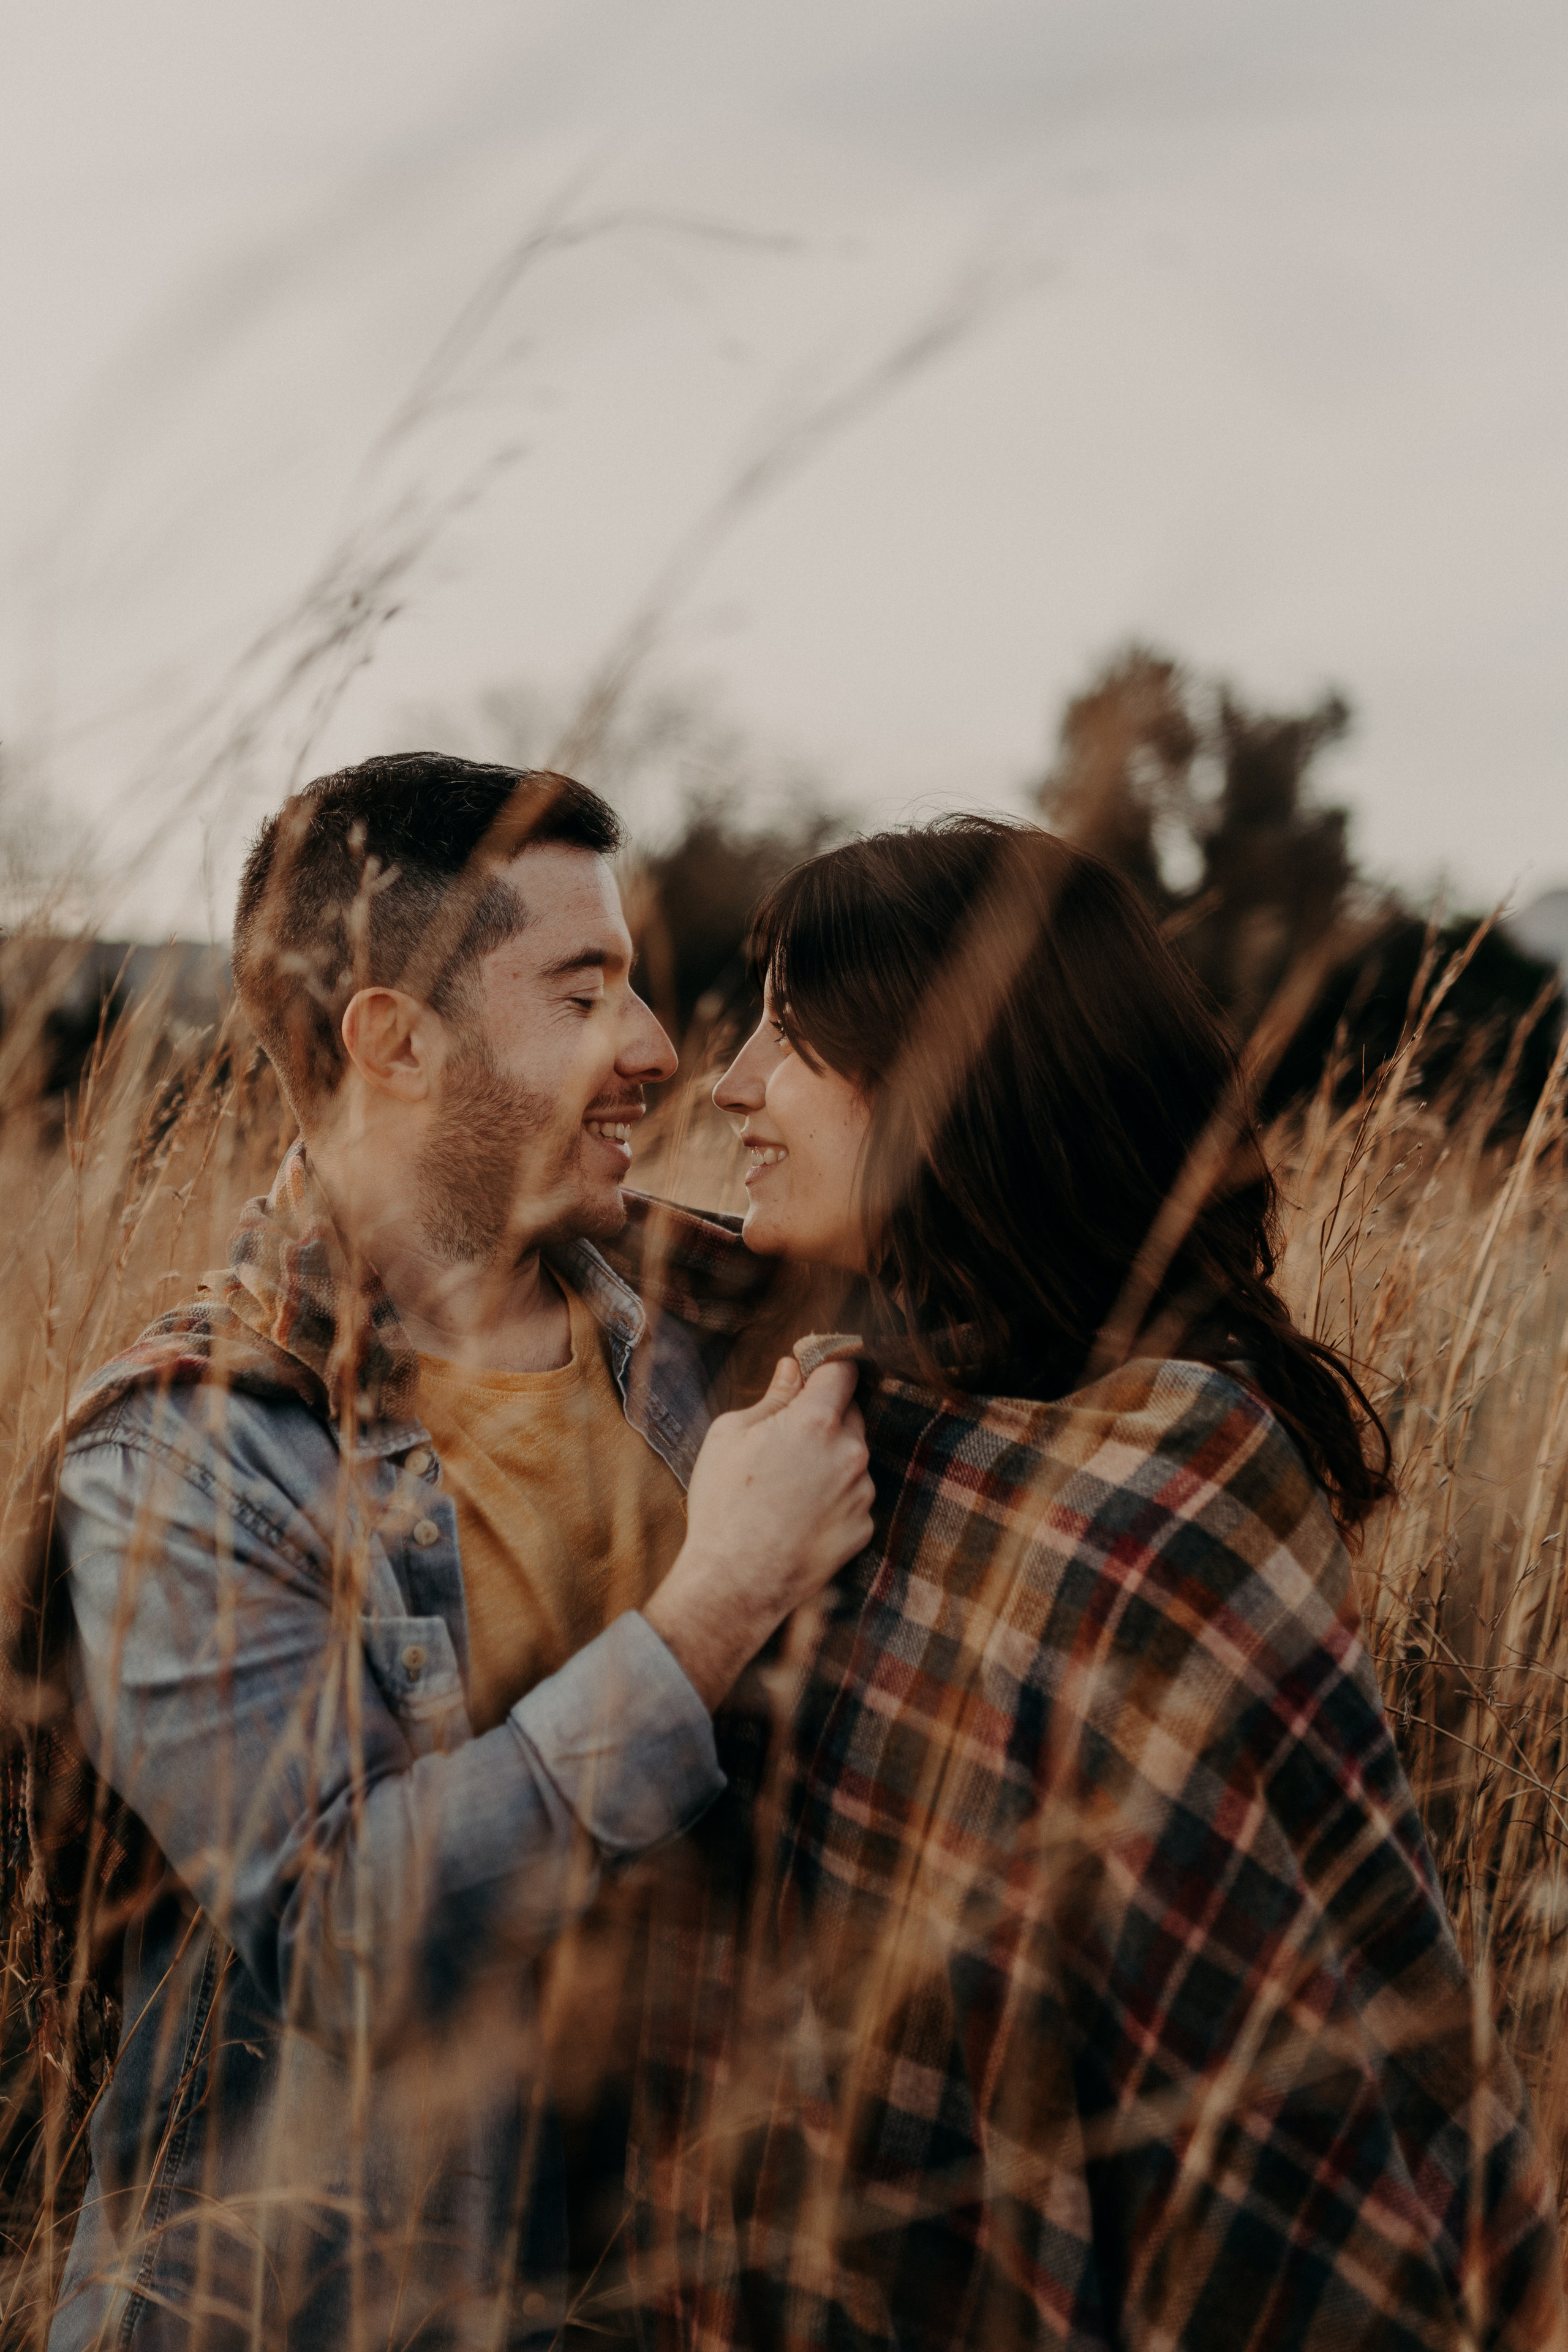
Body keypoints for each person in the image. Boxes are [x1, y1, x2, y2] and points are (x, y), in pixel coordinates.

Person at [620, 815, 1564, 2350]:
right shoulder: (842, 1413)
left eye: (787, 1040)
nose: (728, 1086)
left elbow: (1272, 2070)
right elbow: (548, 1260)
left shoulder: (1167, 1489)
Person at [4, 753, 873, 2352]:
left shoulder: (687, 1341)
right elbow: (347, 1935)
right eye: (583, 991)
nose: (657, 1051)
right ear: (395, 1042)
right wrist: (713, 1610)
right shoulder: (184, 1457)